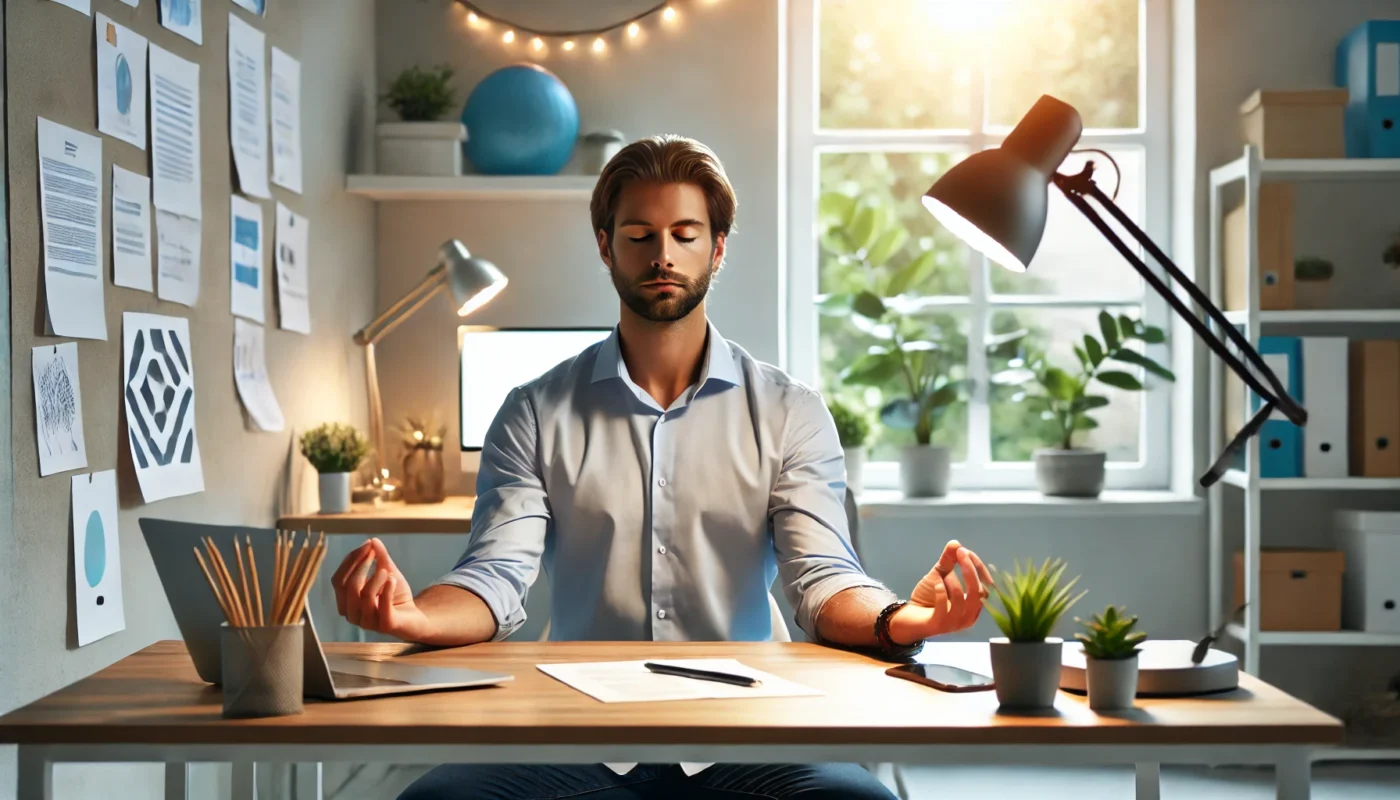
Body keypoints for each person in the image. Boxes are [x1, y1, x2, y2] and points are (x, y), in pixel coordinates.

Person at [333, 134, 994, 800]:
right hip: (579, 733)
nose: (663, 255)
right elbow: (496, 576)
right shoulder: (535, 411)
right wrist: (415, 617)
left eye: (685, 233)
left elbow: (821, 578)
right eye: (640, 235)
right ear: (604, 245)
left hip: (746, 732)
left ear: (719, 246)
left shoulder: (789, 411)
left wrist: (904, 619)